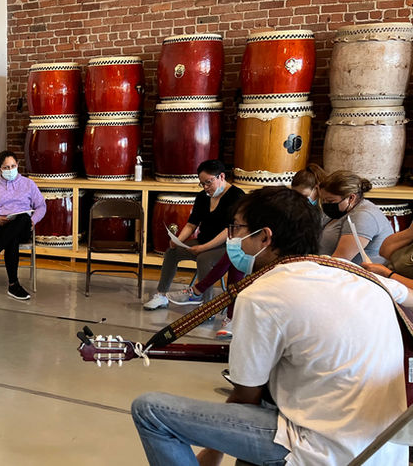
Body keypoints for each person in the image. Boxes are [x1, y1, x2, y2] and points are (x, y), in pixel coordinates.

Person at [132, 187, 410, 465]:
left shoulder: (263, 295)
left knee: (150, 412)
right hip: (386, 452)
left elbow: (247, 395)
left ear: (265, 236)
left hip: (322, 452)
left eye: (236, 229)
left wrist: (212, 452)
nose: (233, 238)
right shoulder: (358, 274)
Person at [143, 160, 245, 310]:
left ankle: (207, 306)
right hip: (203, 241)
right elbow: (192, 224)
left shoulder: (236, 196)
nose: (205, 187)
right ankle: (161, 295)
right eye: (202, 184)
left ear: (221, 176)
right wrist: (178, 240)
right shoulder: (203, 197)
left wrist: (203, 247)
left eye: (208, 182)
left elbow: (229, 231)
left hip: (227, 246)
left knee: (204, 258)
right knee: (171, 252)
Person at [0, 150, 47, 301]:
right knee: (12, 238)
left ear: (18, 164)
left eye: (13, 166)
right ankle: (13, 285)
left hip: (22, 226)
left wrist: (33, 220)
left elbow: (41, 206)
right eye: (6, 167)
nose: (10, 170)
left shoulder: (28, 184)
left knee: (23, 218)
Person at [317, 170, 392, 265]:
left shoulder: (363, 217)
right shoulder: (341, 211)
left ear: (351, 198)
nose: (326, 204)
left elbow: (340, 260)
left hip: (352, 271)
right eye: (323, 200)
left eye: (330, 201)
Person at [364, 224, 413, 288]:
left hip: (399, 289)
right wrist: (410, 231)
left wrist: (387, 273)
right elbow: (384, 252)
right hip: (386, 282)